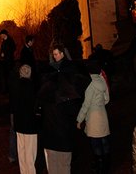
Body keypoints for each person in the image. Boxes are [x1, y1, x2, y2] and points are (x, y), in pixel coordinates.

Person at [37, 44, 87, 174]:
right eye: (53, 54)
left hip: (51, 139)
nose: (55, 56)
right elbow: (72, 116)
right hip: (63, 139)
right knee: (64, 166)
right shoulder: (67, 98)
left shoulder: (46, 97)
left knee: (54, 167)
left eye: (57, 54)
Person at [76, 61, 111, 174]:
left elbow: (86, 104)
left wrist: (79, 119)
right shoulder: (102, 81)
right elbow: (107, 99)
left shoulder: (90, 85)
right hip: (103, 115)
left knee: (95, 142)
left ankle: (99, 166)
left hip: (93, 117)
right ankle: (106, 165)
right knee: (104, 141)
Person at [10, 64, 39, 174]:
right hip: (30, 125)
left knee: (21, 150)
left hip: (19, 124)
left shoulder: (15, 86)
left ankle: (23, 171)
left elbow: (13, 106)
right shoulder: (33, 88)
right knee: (30, 152)